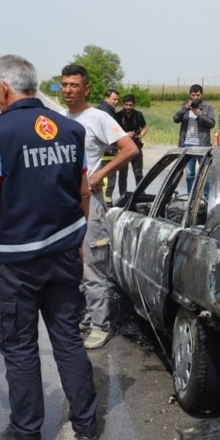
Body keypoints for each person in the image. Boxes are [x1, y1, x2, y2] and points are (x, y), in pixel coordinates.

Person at [0, 54, 100, 440]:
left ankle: (25, 433)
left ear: (4, 88)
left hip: (17, 261)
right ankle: (87, 425)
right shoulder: (72, 129)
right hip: (63, 253)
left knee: (20, 346)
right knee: (68, 339)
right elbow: (84, 192)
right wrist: (76, 238)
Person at [60, 64, 137, 350]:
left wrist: (98, 175)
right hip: (64, 202)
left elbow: (130, 149)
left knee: (93, 260)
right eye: (64, 85)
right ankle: (83, 315)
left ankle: (99, 324)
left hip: (89, 200)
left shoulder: (98, 118)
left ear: (86, 89)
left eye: (74, 85)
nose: (68, 90)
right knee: (69, 261)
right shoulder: (57, 119)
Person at [172, 83, 215, 195]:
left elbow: (211, 123)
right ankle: (191, 197)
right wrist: (184, 109)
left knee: (205, 173)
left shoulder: (207, 107)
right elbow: (175, 119)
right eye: (193, 95)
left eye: (198, 95)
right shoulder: (186, 106)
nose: (195, 97)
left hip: (202, 146)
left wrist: (199, 114)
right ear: (190, 95)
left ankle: (206, 199)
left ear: (202, 94)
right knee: (190, 174)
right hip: (187, 145)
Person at [114, 93, 148, 196]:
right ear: (123, 104)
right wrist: (125, 135)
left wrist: (141, 135)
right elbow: (113, 132)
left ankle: (141, 195)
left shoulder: (138, 115)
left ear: (134, 105)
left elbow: (145, 127)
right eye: (126, 105)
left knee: (138, 174)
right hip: (123, 149)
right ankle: (122, 196)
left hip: (136, 147)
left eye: (130, 105)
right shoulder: (118, 116)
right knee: (123, 174)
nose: (128, 107)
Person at [95, 88, 119, 203]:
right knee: (109, 179)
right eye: (114, 99)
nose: (116, 102)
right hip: (107, 151)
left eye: (117, 100)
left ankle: (105, 201)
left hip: (105, 151)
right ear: (106, 98)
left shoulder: (104, 109)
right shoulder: (105, 111)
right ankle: (106, 203)